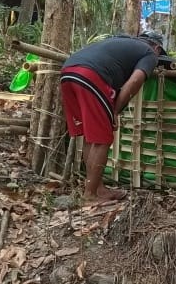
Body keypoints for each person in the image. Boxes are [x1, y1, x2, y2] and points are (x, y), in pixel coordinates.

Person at [60, 30, 167, 202]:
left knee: (91, 137)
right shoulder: (150, 54)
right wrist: (115, 110)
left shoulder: (120, 43)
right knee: (103, 139)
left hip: (68, 71)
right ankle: (90, 194)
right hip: (91, 75)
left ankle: (98, 188)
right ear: (157, 47)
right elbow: (134, 81)